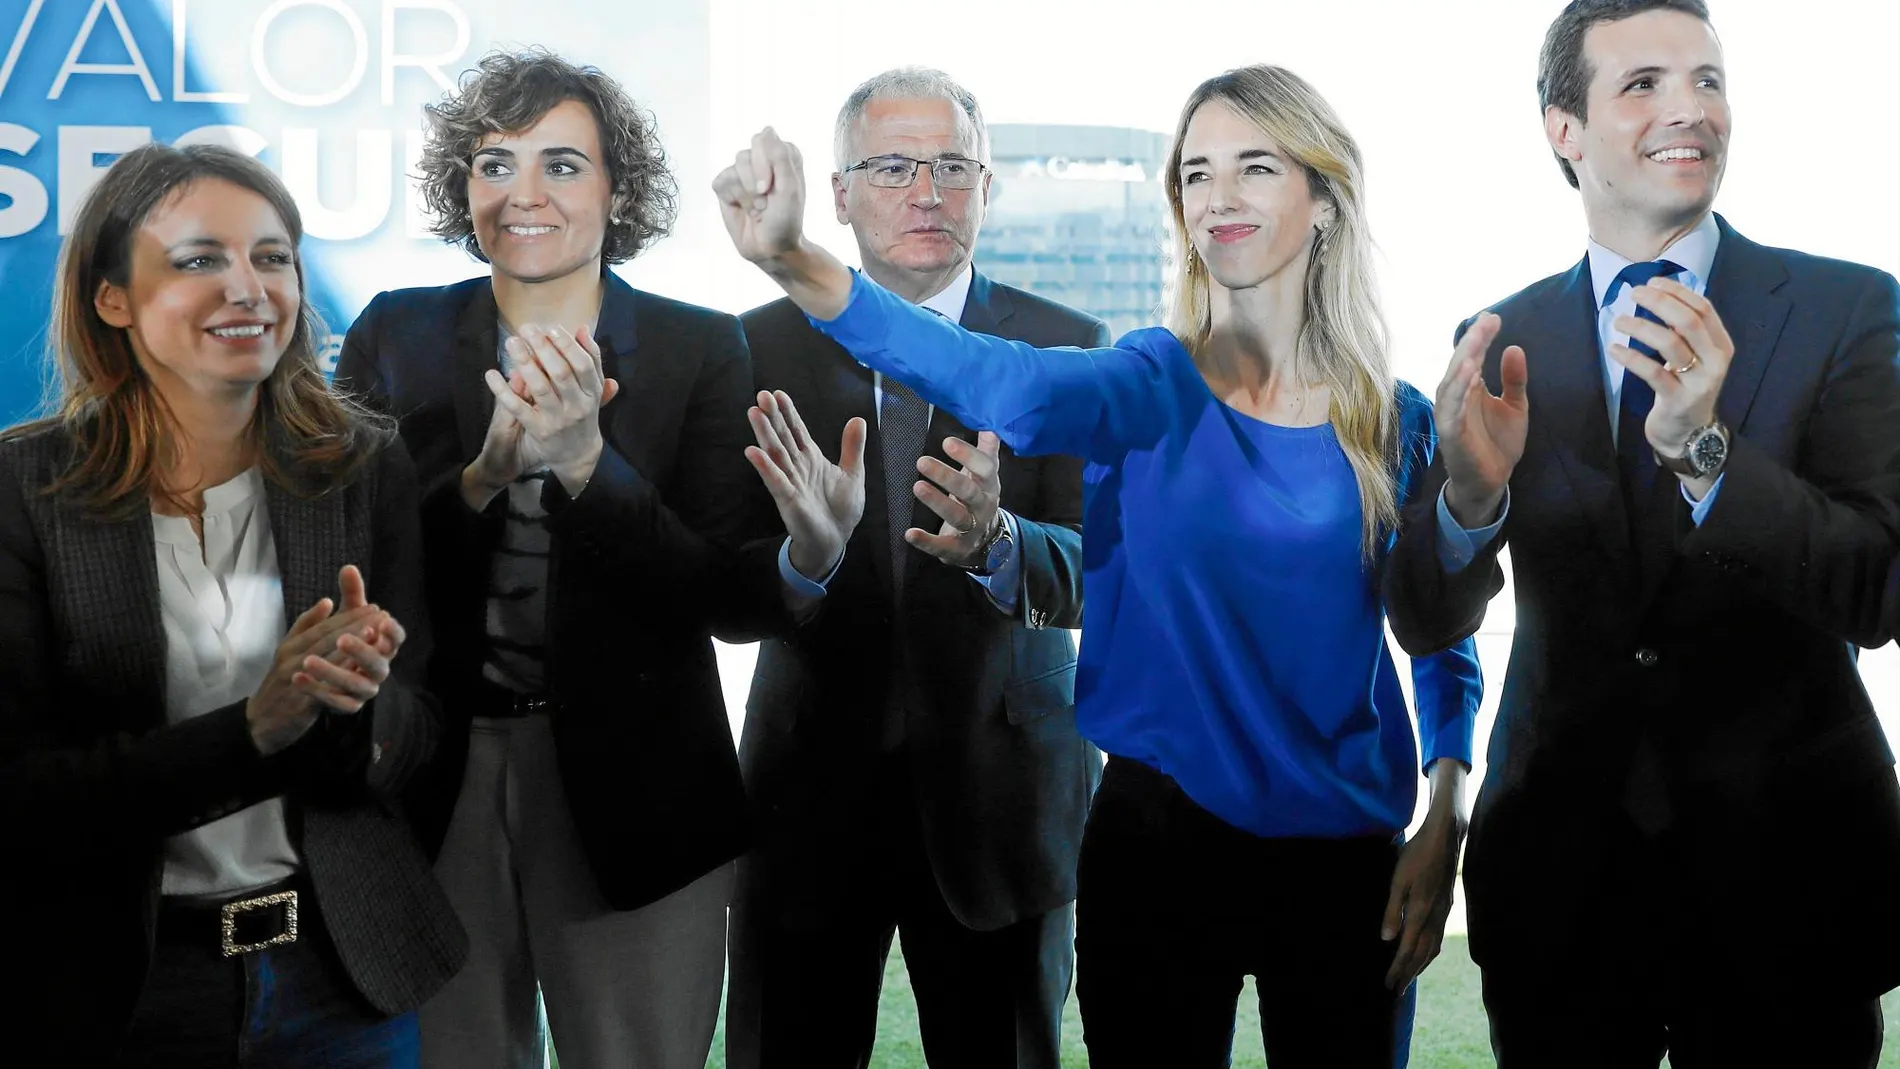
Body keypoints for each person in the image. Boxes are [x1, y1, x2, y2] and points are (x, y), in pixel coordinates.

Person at [716, 63, 1483, 1069]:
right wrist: (797, 262)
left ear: (1324, 199)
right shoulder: (1145, 381)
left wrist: (1447, 805)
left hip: (1344, 857)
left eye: (1255, 166)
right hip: (1156, 841)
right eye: (1197, 173)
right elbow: (990, 374)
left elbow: (1434, 626)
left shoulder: (1398, 418)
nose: (1220, 196)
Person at [1383, 1, 1900, 1064]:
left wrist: (1703, 452)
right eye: (1644, 84)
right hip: (1561, 894)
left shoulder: (1847, 310)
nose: (1691, 111)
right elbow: (1425, 615)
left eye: (1707, 81)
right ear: (1562, 130)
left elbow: (1878, 588)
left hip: (1788, 885)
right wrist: (1467, 500)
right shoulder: (1500, 335)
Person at [333, 49, 856, 1069]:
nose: (523, 194)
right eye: (494, 164)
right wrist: (483, 474)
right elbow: (355, 560)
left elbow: (721, 597)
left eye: (562, 166)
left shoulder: (699, 346)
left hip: (643, 797)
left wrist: (807, 554)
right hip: (429, 780)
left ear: (619, 191)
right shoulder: (395, 332)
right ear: (462, 186)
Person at [0, 143, 463, 1067]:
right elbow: (24, 795)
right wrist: (256, 726)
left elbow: (419, 738)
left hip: (341, 984)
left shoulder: (365, 466)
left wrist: (356, 707)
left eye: (272, 256)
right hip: (112, 993)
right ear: (112, 298)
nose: (248, 287)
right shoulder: (22, 484)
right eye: (199, 259)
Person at [722, 67, 1107, 1069]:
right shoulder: (748, 351)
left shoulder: (1066, 347)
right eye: (893, 167)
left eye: (952, 167)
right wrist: (803, 558)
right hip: (806, 794)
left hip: (1004, 797)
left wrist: (1001, 544)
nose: (926, 192)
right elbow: (719, 578)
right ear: (839, 194)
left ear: (988, 187)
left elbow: (1101, 564)